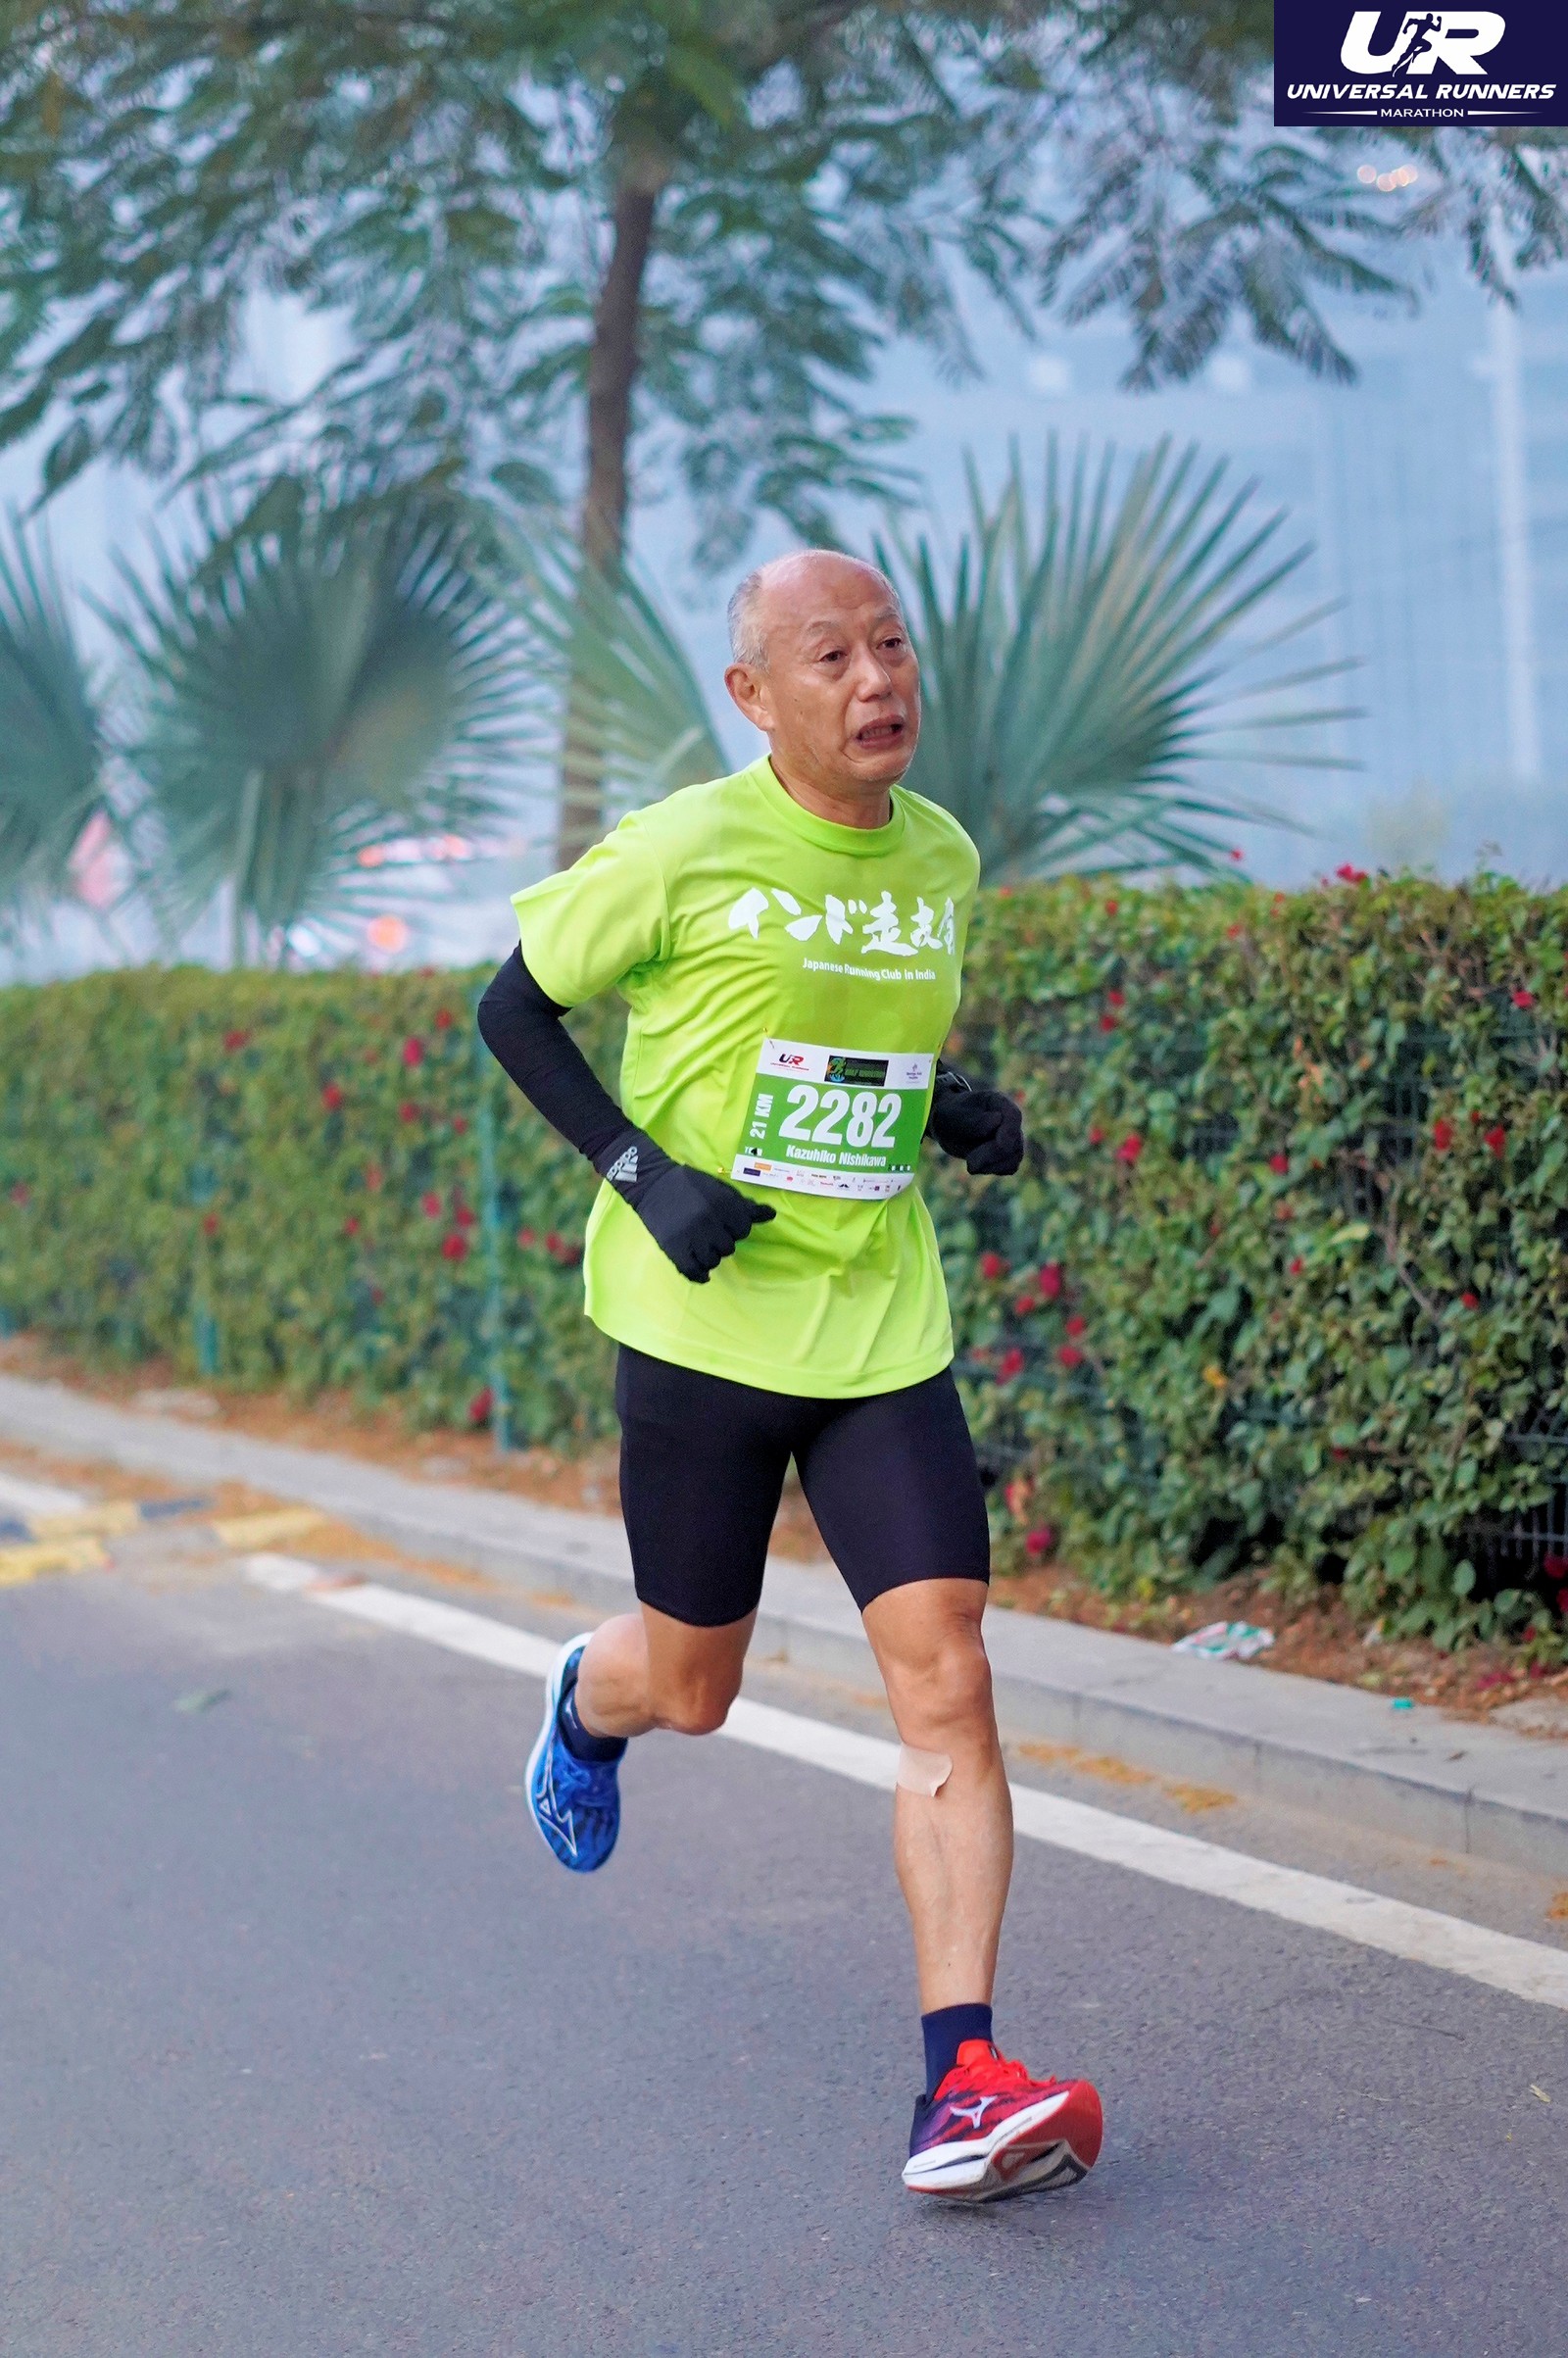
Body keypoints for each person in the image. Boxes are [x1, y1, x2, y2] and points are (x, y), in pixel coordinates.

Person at [477, 550, 1102, 2202]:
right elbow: (513, 1007)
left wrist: (949, 1103)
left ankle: (960, 2079)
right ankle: (589, 1697)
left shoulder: (940, 855)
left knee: (948, 1667)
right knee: (696, 1686)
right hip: (702, 1325)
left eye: (891, 644)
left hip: (878, 1325)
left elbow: (843, 1035)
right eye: (831, 655)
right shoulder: (682, 846)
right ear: (754, 696)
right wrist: (641, 1173)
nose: (876, 678)